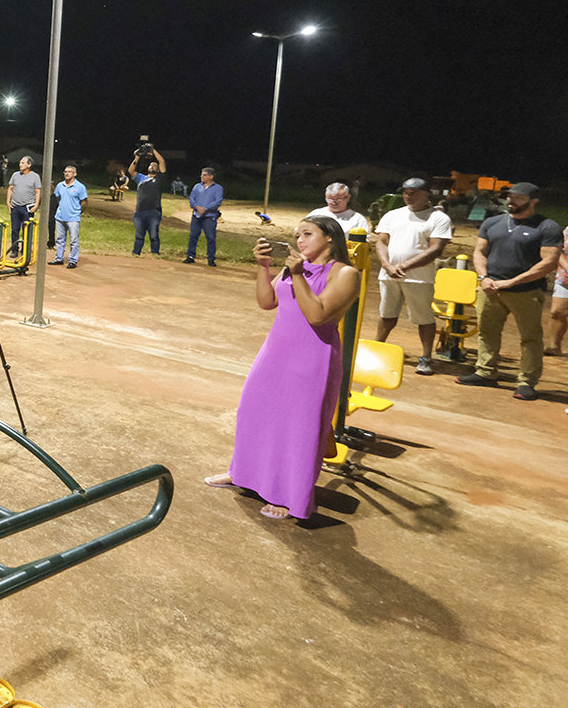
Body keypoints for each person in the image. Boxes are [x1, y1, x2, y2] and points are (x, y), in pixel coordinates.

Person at [205, 216, 360, 521]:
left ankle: (289, 496)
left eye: (308, 234)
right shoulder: (294, 268)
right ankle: (242, 473)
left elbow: (317, 315)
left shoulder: (345, 274)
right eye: (297, 235)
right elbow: (267, 302)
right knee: (253, 413)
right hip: (274, 354)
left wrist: (298, 274)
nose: (300, 240)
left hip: (311, 360)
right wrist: (263, 267)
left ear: (330, 237)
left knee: (297, 428)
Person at [458, 182, 563, 400]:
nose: (511, 201)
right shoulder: (492, 222)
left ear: (533, 201)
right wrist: (484, 277)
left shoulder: (547, 227)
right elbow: (479, 252)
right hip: (490, 289)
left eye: (518, 198)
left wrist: (513, 282)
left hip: (526, 292)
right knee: (487, 332)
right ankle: (485, 372)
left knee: (530, 337)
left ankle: (527, 382)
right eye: (510, 196)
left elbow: (549, 262)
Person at [373, 178, 453, 375]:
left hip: (418, 278)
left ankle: (425, 357)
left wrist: (404, 266)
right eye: (406, 193)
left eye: (414, 193)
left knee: (423, 317)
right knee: (386, 315)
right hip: (389, 275)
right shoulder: (393, 215)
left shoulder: (438, 218)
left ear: (427, 194)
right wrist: (387, 265)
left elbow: (436, 249)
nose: (409, 196)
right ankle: (376, 349)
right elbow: (381, 242)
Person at [128, 146, 167, 255]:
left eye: (154, 165)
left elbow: (161, 161)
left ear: (158, 170)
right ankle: (136, 253)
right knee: (139, 235)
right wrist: (137, 156)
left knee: (154, 235)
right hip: (139, 211)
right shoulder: (141, 178)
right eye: (150, 165)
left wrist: (152, 150)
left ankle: (155, 253)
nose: (152, 166)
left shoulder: (159, 178)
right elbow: (131, 170)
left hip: (154, 211)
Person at [50, 165, 89, 268]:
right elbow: (57, 197)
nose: (67, 173)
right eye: (65, 172)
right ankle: (59, 258)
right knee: (59, 239)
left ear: (75, 174)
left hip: (73, 218)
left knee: (74, 240)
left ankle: (73, 260)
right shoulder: (60, 185)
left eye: (69, 172)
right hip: (60, 217)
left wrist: (78, 212)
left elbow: (84, 202)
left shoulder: (80, 187)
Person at [185, 167, 224, 266]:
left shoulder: (218, 188)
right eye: (202, 174)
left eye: (204, 175)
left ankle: (211, 259)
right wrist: (197, 207)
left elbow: (218, 201)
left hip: (209, 217)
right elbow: (191, 199)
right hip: (196, 215)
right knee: (193, 236)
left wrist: (206, 208)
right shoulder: (197, 186)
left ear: (211, 176)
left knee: (211, 237)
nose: (202, 176)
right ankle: (190, 256)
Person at [5, 157, 41, 258]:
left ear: (29, 165)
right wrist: (8, 202)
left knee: (27, 230)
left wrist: (36, 205)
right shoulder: (15, 175)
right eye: (20, 162)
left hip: (28, 208)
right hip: (15, 207)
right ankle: (14, 250)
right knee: (14, 230)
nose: (20, 164)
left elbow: (37, 191)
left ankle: (25, 250)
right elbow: (10, 188)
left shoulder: (35, 177)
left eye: (23, 162)